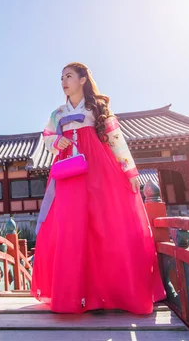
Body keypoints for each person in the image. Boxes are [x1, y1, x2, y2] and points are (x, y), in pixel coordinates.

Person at [30, 62, 166, 314]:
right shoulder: (57, 113)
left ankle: (109, 293)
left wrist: (130, 172)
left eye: (68, 76)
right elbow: (46, 137)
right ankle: (75, 295)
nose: (63, 81)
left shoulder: (97, 108)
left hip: (98, 169)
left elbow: (116, 140)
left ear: (83, 79)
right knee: (70, 227)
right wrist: (56, 140)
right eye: (61, 78)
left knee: (103, 224)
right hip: (69, 171)